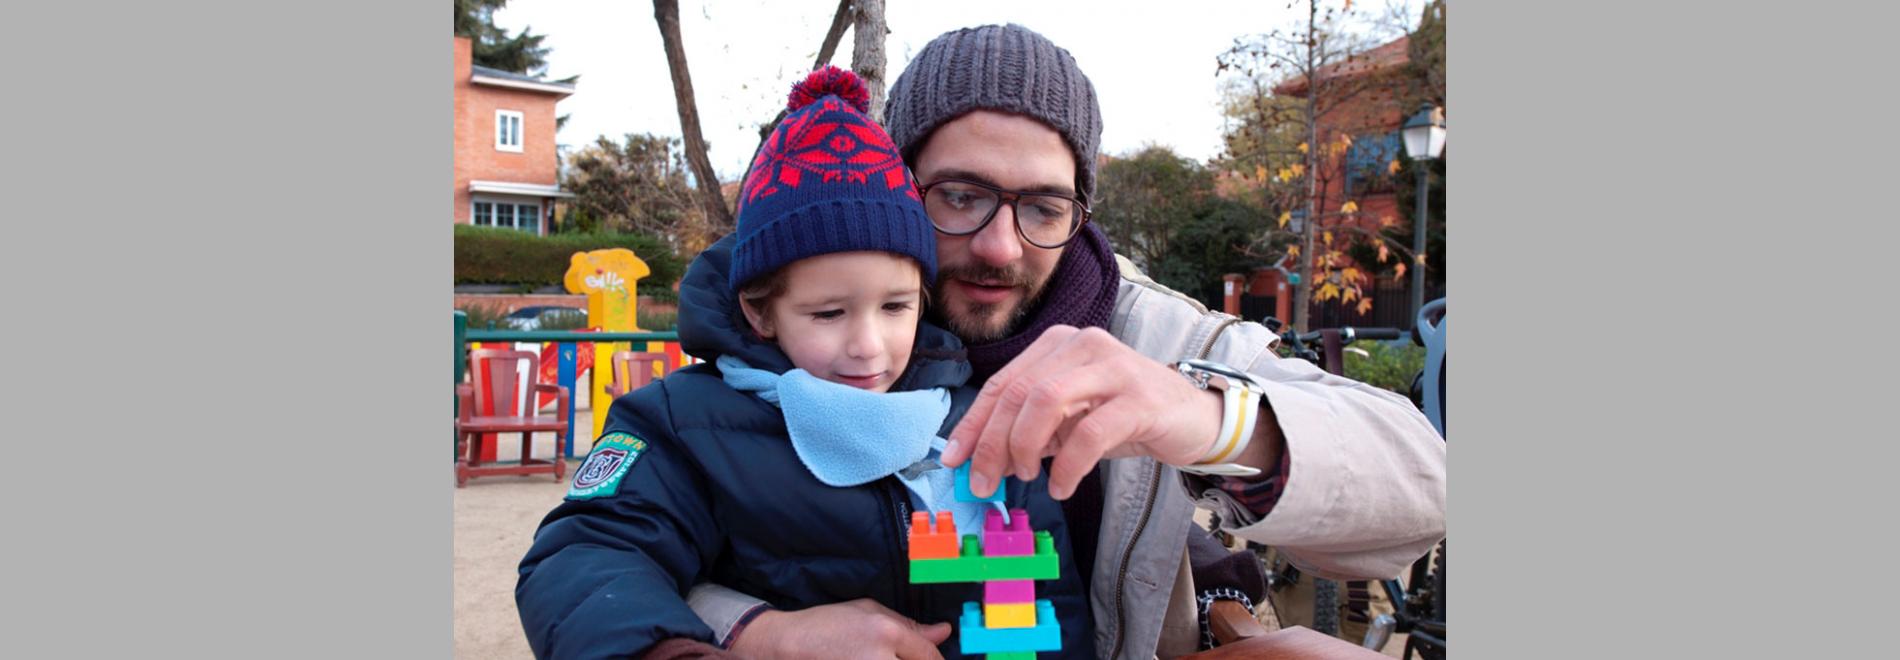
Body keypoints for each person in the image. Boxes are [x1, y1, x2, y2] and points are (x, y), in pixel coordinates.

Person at [685, 24, 1447, 659]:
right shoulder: (783, 328)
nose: (1000, 247)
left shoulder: (1156, 332)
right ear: (893, 184)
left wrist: (1206, 420)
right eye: (959, 195)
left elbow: (1423, 490)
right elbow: (613, 556)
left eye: (1044, 208)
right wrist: (755, 631)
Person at [515, 68, 1098, 659]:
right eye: (828, 314)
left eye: (895, 306)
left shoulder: (981, 415)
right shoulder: (682, 423)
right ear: (761, 311)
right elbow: (589, 554)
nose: (868, 345)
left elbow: (1051, 601)